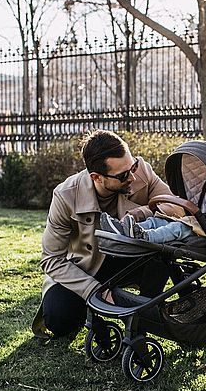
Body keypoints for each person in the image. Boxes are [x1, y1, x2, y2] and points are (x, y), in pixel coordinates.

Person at [31, 129, 183, 338]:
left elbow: (177, 207)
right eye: (122, 175)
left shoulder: (142, 172)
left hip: (132, 257)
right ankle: (94, 309)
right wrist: (92, 290)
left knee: (161, 254)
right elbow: (51, 259)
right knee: (59, 321)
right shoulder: (66, 195)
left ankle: (145, 313)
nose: (132, 177)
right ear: (97, 177)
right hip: (86, 268)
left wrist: (141, 213)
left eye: (132, 167)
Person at [99, 211, 206, 244]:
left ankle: (144, 236)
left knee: (176, 228)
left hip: (200, 234)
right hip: (192, 223)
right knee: (156, 221)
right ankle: (124, 228)